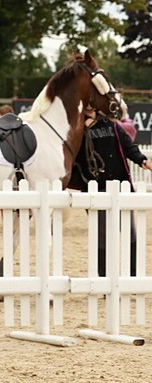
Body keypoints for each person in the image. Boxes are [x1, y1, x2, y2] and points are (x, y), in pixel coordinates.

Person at [68, 114, 151, 276]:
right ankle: (103, 277)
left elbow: (128, 145)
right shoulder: (78, 127)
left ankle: (132, 274)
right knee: (102, 234)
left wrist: (143, 161)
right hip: (96, 187)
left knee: (129, 231)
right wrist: (82, 127)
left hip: (121, 185)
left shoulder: (112, 125)